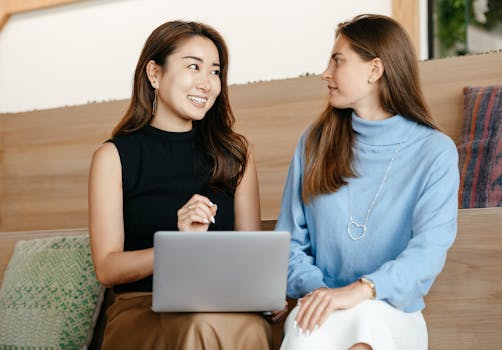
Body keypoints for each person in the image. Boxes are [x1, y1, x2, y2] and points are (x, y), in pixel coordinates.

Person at [88, 20, 279, 350]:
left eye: (215, 71)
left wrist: (266, 292)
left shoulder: (237, 154)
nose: (207, 83)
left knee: (251, 327)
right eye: (194, 67)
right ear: (155, 74)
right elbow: (107, 267)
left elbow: (251, 256)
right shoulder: (113, 157)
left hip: (224, 306)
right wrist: (179, 246)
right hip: (142, 309)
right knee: (201, 326)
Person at [276, 14, 459, 350]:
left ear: (375, 70)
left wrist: (361, 290)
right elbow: (288, 244)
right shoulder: (313, 143)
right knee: (307, 337)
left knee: (368, 326)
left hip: (392, 312)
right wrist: (323, 293)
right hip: (321, 305)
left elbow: (428, 252)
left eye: (337, 60)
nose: (325, 73)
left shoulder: (435, 152)